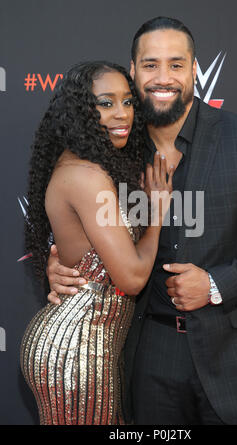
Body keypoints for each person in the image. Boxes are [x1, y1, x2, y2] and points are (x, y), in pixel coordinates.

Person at [46, 17, 237, 425]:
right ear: (133, 71)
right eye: (150, 65)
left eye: (176, 65)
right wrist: (60, 263)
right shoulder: (114, 150)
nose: (162, 78)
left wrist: (216, 284)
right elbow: (77, 217)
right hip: (149, 355)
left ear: (194, 70)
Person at [20, 60, 173, 425]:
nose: (122, 114)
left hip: (91, 346)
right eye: (106, 103)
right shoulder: (86, 176)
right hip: (75, 351)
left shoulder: (94, 165)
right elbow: (133, 278)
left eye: (128, 102)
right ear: (79, 111)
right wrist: (158, 213)